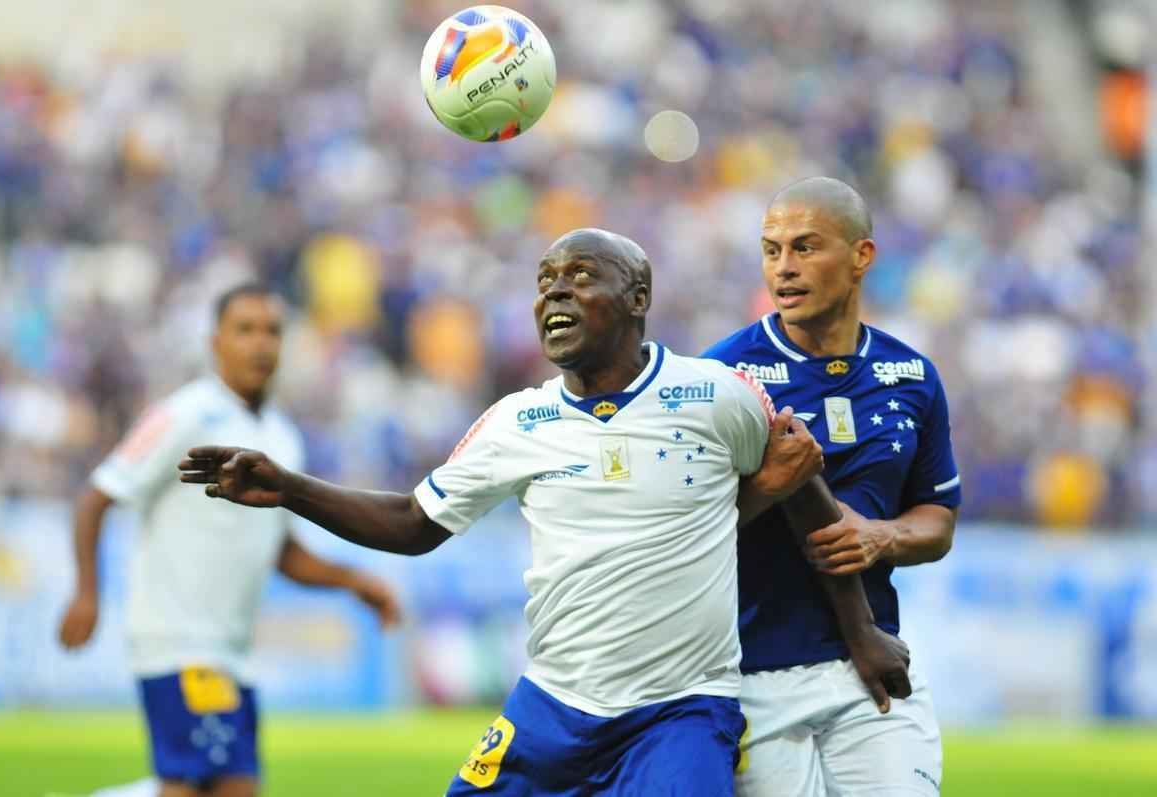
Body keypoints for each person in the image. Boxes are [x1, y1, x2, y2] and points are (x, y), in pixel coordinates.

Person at [178, 229, 836, 795]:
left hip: (678, 712)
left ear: (638, 298)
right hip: (553, 706)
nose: (554, 293)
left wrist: (860, 633)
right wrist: (291, 487)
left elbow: (801, 477)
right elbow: (413, 522)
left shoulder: (715, 394)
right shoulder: (517, 421)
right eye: (545, 281)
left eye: (580, 277)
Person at [57, 284, 403, 797]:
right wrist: (87, 592)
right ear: (215, 342)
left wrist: (354, 581)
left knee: (224, 789)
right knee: (216, 788)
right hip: (178, 641)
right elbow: (98, 495)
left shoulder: (283, 437)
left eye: (271, 331)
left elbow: (283, 552)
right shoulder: (187, 415)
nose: (260, 344)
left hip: (231, 651)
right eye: (245, 330)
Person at [702, 177, 961, 796]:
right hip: (752, 677)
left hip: (872, 671)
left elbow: (939, 518)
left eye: (805, 248)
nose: (783, 269)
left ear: (861, 257)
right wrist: (768, 488)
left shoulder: (911, 375)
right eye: (771, 250)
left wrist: (882, 536)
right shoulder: (724, 376)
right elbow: (687, 527)